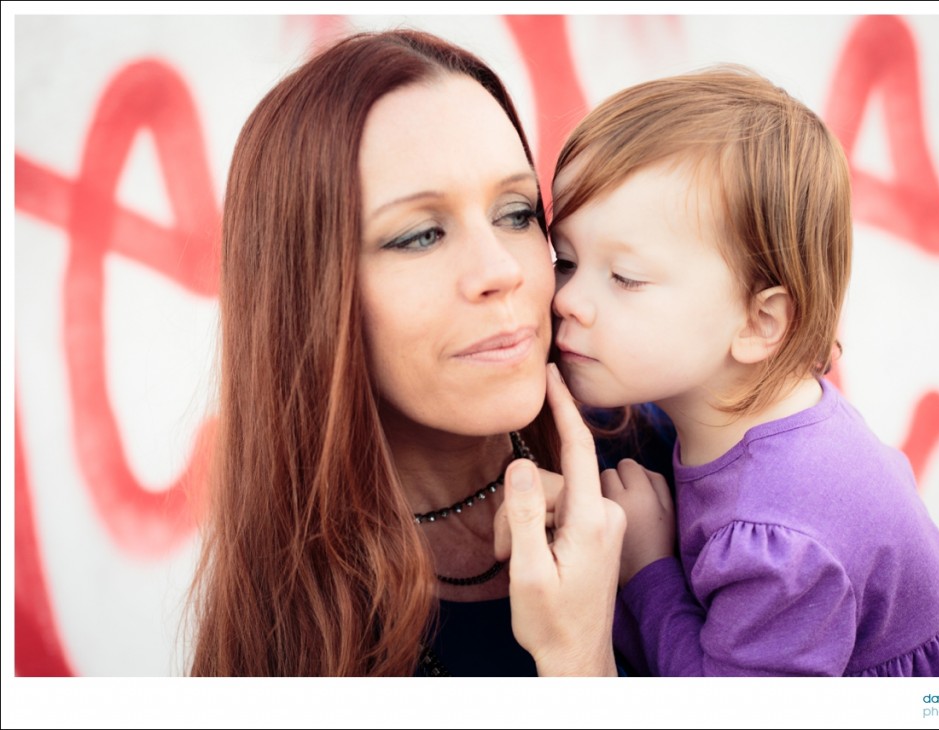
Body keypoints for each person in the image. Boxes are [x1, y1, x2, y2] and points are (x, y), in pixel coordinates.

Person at [186, 29, 633, 677]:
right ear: (310, 295)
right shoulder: (296, 649)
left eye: (515, 213)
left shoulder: (663, 460)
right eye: (422, 234)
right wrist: (579, 661)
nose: (500, 269)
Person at [548, 66, 939, 676]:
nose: (567, 300)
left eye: (625, 278)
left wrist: (648, 571)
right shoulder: (759, 413)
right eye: (566, 261)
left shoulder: (782, 541)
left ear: (760, 323)